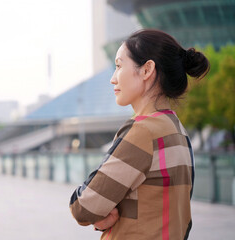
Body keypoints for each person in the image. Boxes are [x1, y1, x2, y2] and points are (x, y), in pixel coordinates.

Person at [69, 29, 209, 240]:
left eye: (118, 66)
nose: (112, 79)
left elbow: (83, 207)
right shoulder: (177, 130)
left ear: (147, 70)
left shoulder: (142, 131)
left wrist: (99, 215)